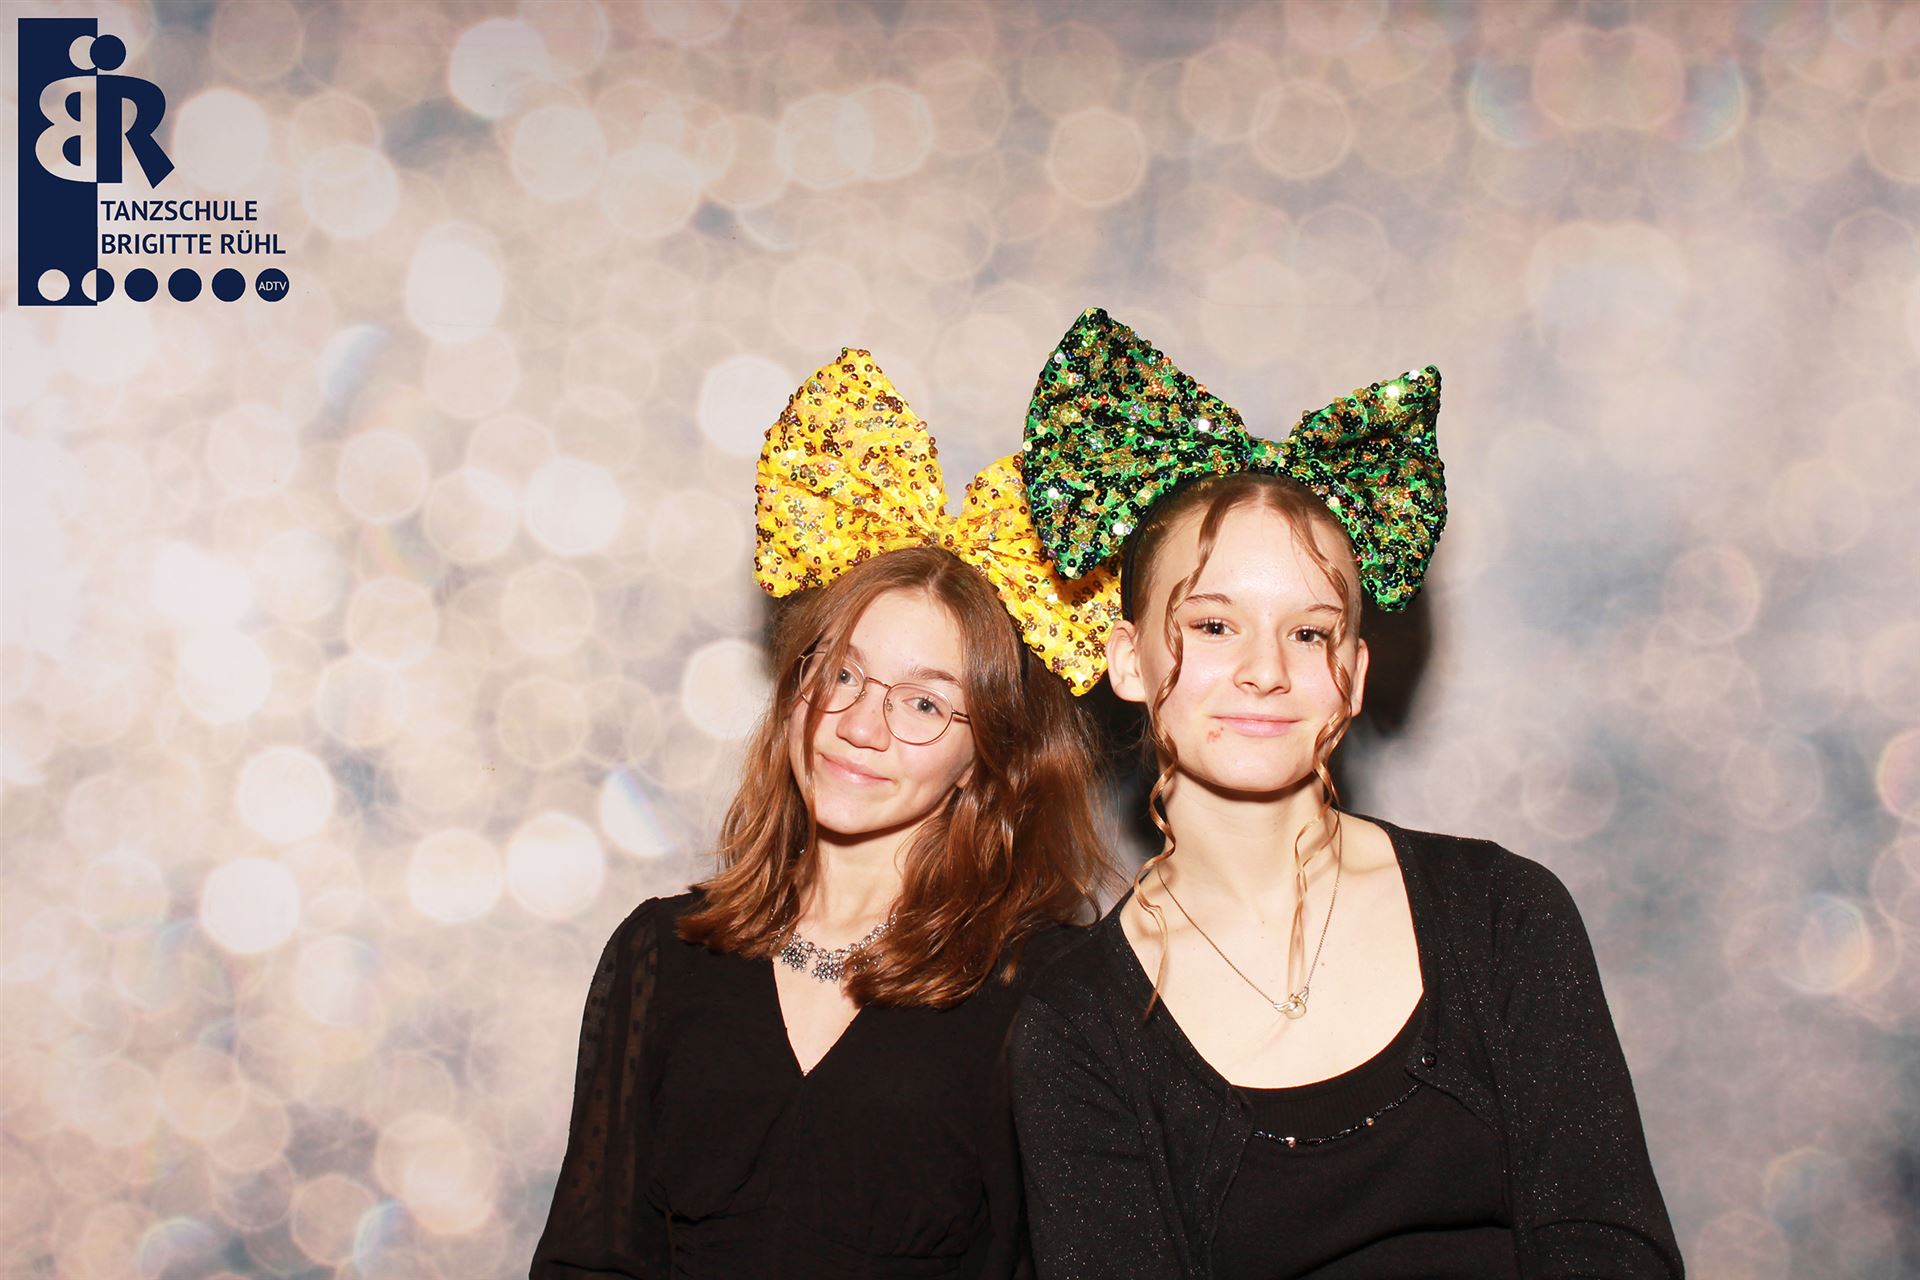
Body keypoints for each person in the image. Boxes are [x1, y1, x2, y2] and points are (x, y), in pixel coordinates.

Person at [1007, 309, 1682, 1279]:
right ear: (1126, 658)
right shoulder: (1075, 1028)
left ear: (1354, 676)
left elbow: (1612, 1249)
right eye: (1212, 625)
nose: (1265, 670)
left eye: (1309, 632)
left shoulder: (1504, 914)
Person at [531, 349, 1119, 1279]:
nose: (859, 725)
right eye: (841, 673)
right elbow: (586, 1260)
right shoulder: (660, 957)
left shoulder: (1047, 995)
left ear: (990, 756)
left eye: (923, 703)